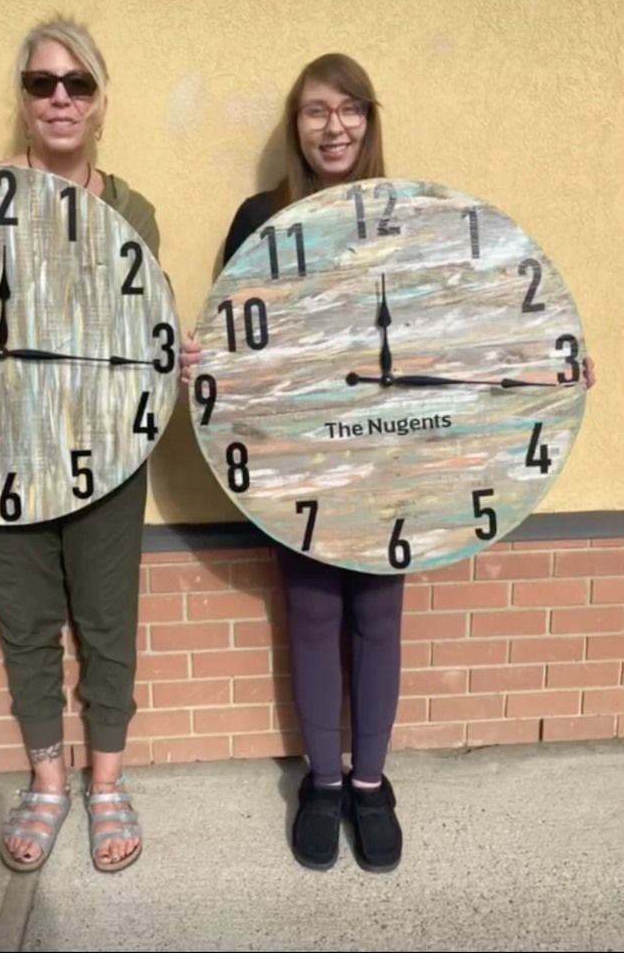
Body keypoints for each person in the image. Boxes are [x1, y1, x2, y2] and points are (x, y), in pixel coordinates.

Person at [180, 52, 597, 874]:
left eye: (348, 109)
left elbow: (473, 323)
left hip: (396, 457)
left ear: (369, 119)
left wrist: (549, 367)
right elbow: (237, 335)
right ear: (296, 127)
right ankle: (321, 784)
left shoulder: (419, 216)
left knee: (377, 617)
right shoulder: (262, 217)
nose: (332, 127)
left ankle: (370, 783)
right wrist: (204, 359)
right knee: (309, 616)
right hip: (300, 461)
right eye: (314, 111)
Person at [0, 17, 160, 874]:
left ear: (98, 103)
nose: (60, 98)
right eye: (43, 83)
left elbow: (139, 336)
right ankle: (48, 784)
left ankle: (108, 784)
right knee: (26, 625)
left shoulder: (129, 211)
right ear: (22, 100)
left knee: (106, 623)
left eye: (77, 84)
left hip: (105, 455)